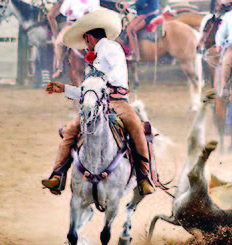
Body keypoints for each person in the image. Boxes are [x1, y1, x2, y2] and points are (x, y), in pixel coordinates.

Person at [41, 8, 155, 195]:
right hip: (97, 101)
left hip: (117, 101)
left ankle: (143, 177)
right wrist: (64, 88)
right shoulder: (93, 61)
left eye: (84, 42)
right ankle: (58, 174)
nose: (85, 47)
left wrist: (98, 82)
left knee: (135, 126)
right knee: (71, 129)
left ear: (88, 38)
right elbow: (88, 92)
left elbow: (111, 76)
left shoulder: (111, 47)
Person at [47, 0, 101, 79]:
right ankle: (59, 68)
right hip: (72, 25)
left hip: (88, 25)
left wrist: (89, 13)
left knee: (100, 41)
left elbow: (96, 11)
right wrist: (68, 12)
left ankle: (101, 66)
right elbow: (63, 11)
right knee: (58, 43)